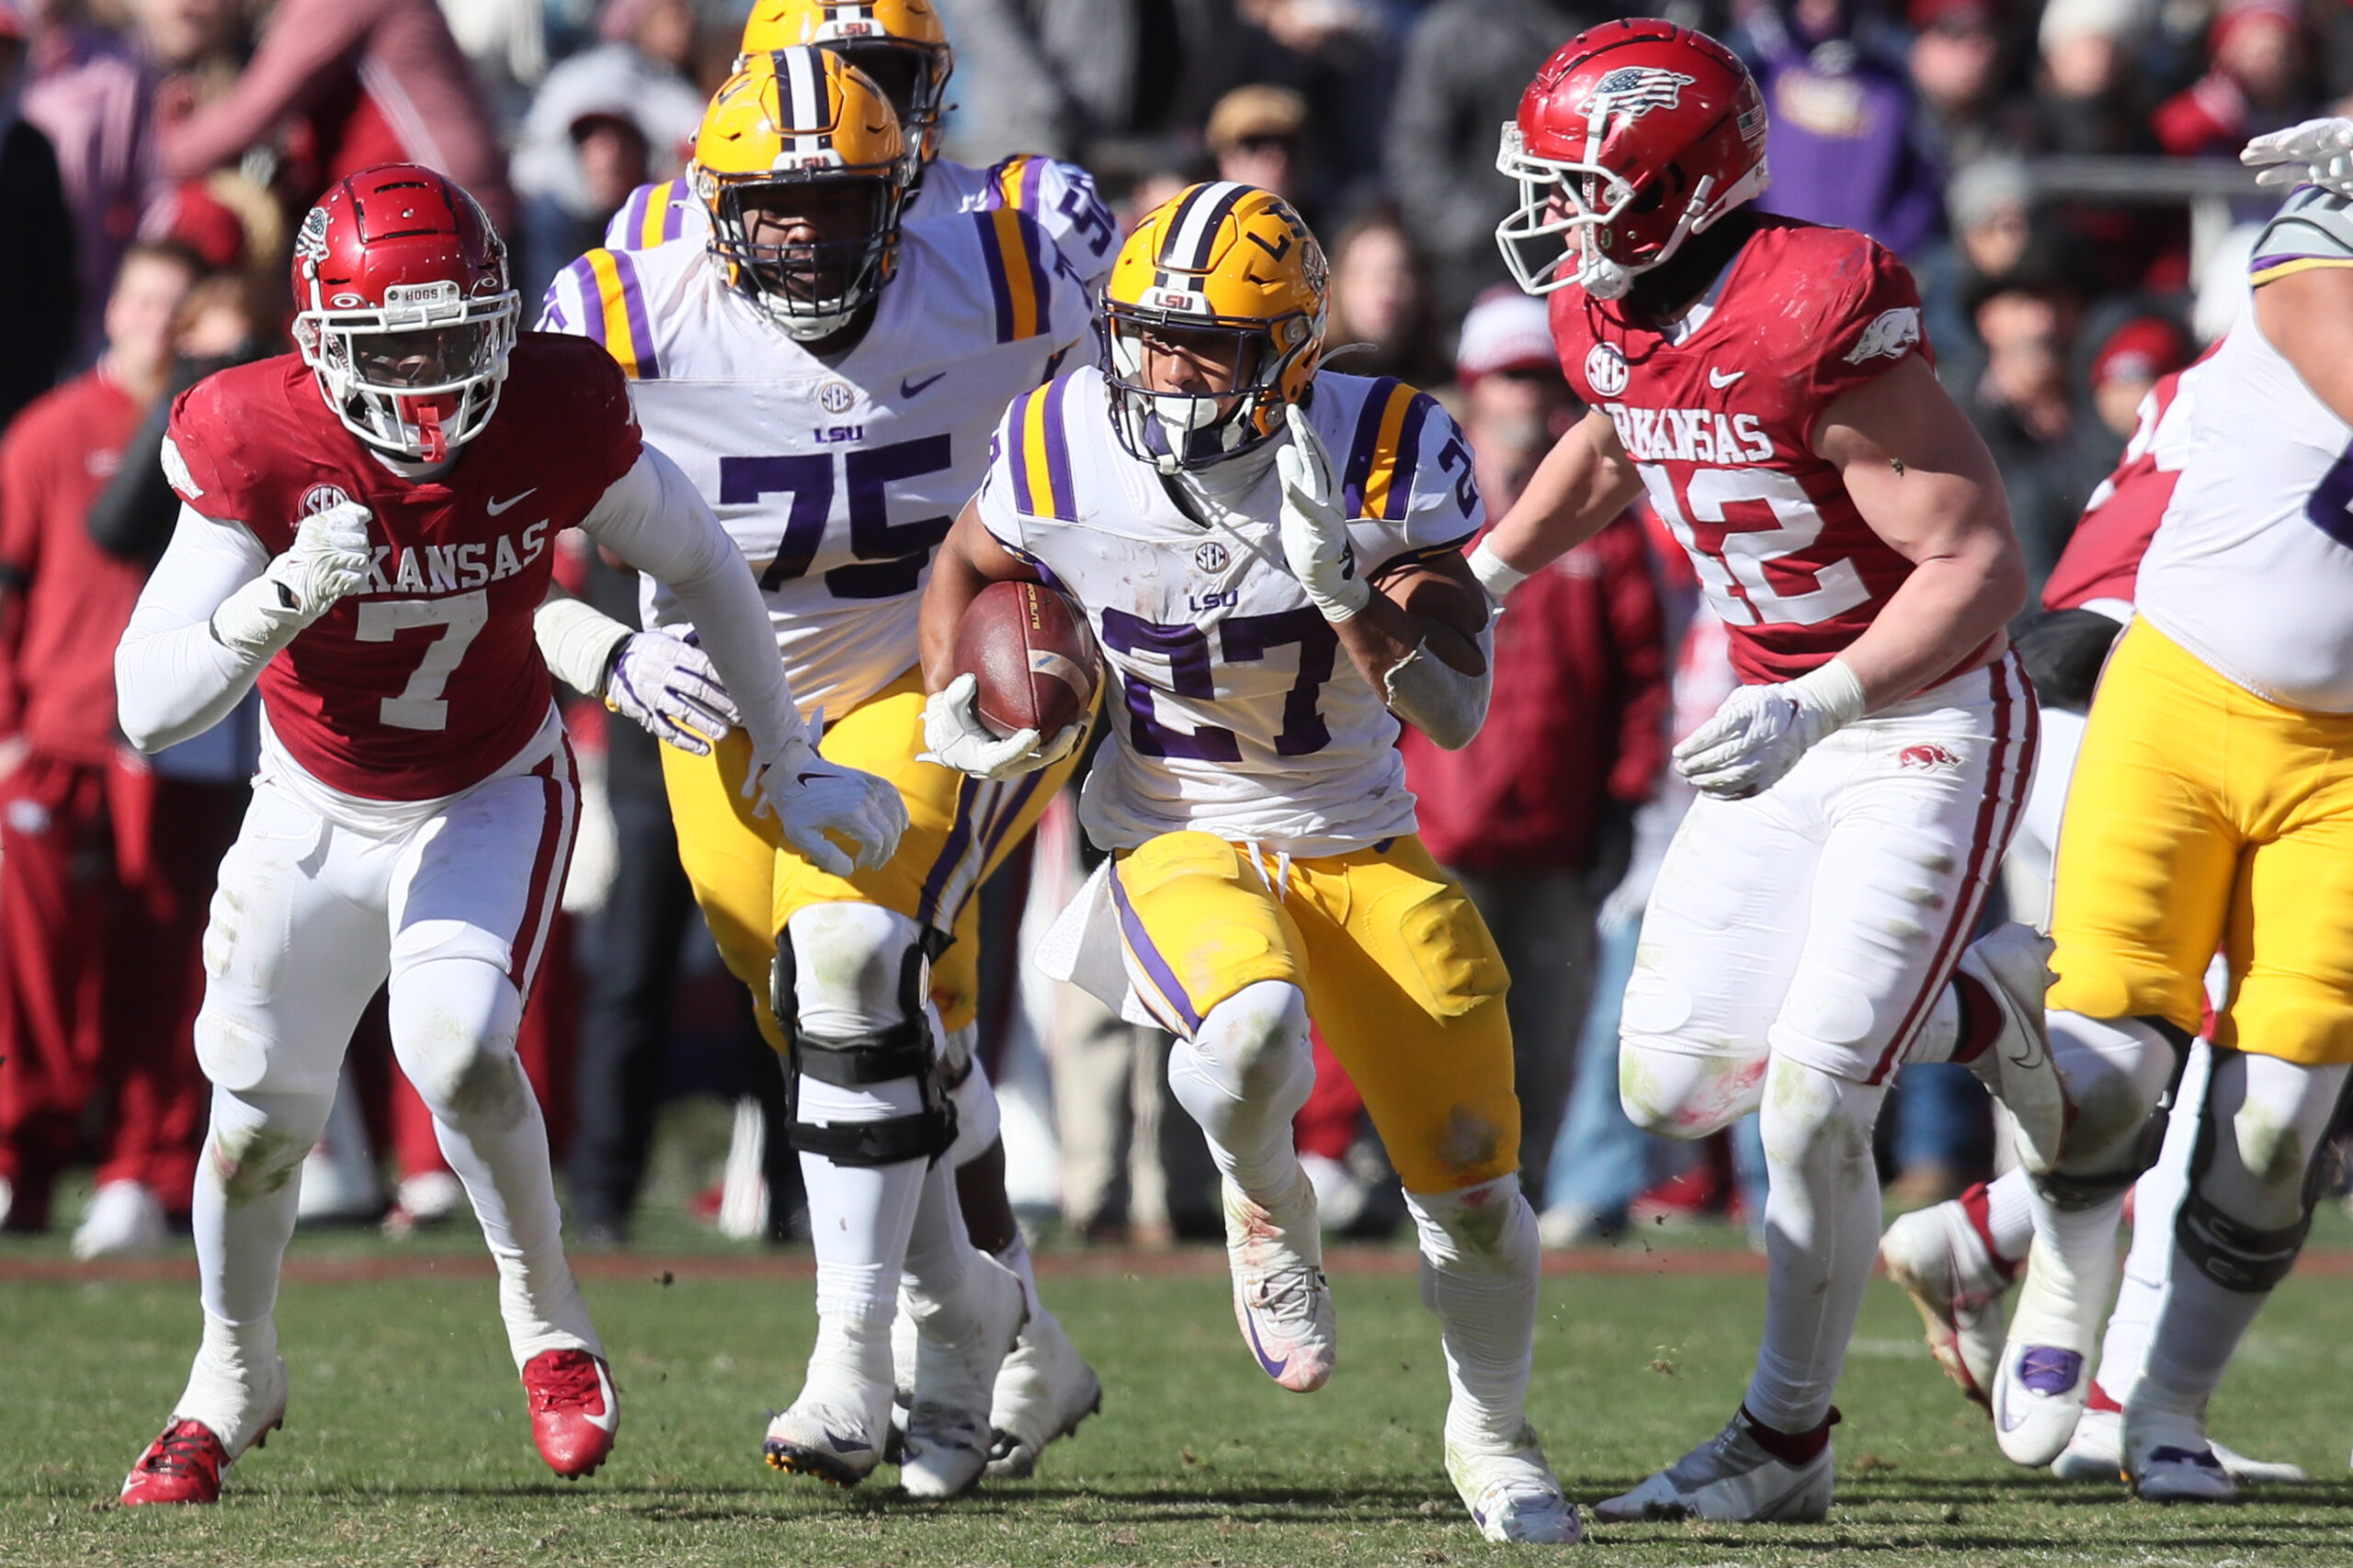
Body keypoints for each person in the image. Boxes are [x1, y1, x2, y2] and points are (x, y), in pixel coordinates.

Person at [109, 162, 904, 1506]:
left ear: (500, 323)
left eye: (451, 336)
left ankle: (549, 1328)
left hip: (487, 786)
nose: (426, 373)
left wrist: (787, 752)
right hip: (310, 803)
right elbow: (144, 704)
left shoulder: (556, 404)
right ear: (320, 341)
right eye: (391, 343)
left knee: (461, 1044)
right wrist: (277, 602)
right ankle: (229, 1375)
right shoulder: (254, 433)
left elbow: (699, 556)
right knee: (254, 1119)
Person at [921, 179, 1581, 1546]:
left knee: (1477, 1184)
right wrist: (952, 696)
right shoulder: (1060, 439)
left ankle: (1493, 1434)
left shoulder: (1390, 442)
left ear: (1289, 348)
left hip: (1354, 830)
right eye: (1151, 337)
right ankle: (1267, 1199)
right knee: (1250, 1028)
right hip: (1172, 822)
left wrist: (1344, 584)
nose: (1169, 373)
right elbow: (969, 560)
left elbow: (1453, 711)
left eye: (1208, 344)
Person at [1483, 22, 2063, 1521]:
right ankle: (1985, 1003)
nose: (1552, 217)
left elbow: (1983, 559)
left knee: (1811, 1100)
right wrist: (1488, 569)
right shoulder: (1606, 305)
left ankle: (1782, 1440)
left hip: (1912, 712)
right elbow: (1620, 442)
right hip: (1768, 715)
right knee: (1677, 1082)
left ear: (1679, 188)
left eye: (1581, 186)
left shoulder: (1817, 301)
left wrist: (1828, 698)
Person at [539, 48, 1097, 1494]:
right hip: (722, 707)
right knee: (837, 1023)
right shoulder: (622, 306)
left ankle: (859, 1360)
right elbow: (497, 540)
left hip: (935, 680)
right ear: (709, 202)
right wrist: (601, 650)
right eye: (774, 206)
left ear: (903, 184)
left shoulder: (1015, 272)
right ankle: (998, 1317)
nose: (802, 233)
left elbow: (1114, 451)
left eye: (841, 201)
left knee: (853, 961)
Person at [1970, 141, 2353, 1502]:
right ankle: (2055, 1260)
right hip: (2182, 698)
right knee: (2111, 1067)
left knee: (2277, 1125)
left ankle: (2167, 1402)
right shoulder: (2324, 240)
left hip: (2345, 768)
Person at [1875, 353, 2307, 1492]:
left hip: (2086, 681)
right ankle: (2123, 1395)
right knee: (2242, 1078)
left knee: (2248, 1086)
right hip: (2165, 702)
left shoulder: (2241, 358)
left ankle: (1986, 1228)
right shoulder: (2295, 355)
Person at [1403, 288, 1668, 1210]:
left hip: (1558, 832)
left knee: (1547, 1036)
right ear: (1472, 387)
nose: (1527, 398)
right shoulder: (1420, 507)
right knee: (1434, 1027)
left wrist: (1627, 800)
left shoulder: (1601, 520)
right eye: (1509, 378)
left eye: (1538, 379)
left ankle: (1524, 1196)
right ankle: (1430, 1188)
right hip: (1440, 822)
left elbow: (1641, 675)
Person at [0, 239, 201, 1243]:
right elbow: (7, 586)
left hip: (174, 738)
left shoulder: (215, 427)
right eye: (146, 299)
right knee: (28, 960)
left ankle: (144, 1167)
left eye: (180, 303)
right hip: (56, 733)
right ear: (113, 309)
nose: (161, 321)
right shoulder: (47, 434)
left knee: (164, 956)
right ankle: (19, 1160)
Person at [602, 0, 1122, 297]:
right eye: (829, 79)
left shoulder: (1031, 211)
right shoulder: (664, 228)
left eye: (884, 77)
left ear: (928, 85)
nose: (861, 106)